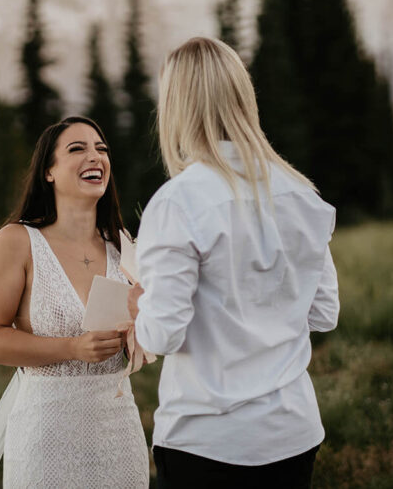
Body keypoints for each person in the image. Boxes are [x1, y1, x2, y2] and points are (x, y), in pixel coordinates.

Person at [128, 37, 339, 488]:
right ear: (242, 97)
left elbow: (162, 335)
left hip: (209, 440)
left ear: (176, 107)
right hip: (293, 432)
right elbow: (324, 313)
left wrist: (136, 306)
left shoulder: (177, 203)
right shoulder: (300, 192)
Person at [0, 116, 150, 488]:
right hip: (46, 438)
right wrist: (73, 347)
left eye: (102, 149)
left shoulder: (123, 244)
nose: (95, 156)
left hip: (118, 434)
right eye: (77, 149)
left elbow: (143, 335)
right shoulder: (17, 241)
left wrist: (140, 333)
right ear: (49, 171)